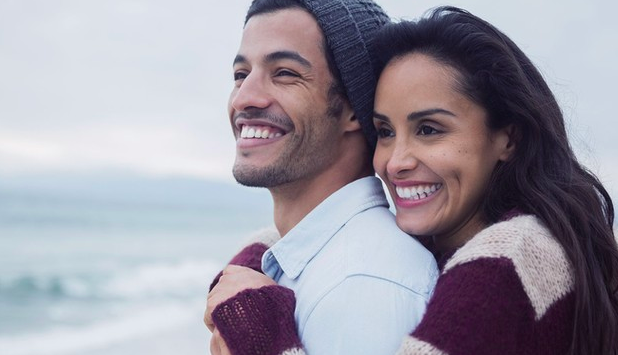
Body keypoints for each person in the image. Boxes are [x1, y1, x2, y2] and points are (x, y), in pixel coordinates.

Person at [205, 6, 618, 355]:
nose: (396, 161)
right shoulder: (445, 247)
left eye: (429, 130)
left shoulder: (500, 269)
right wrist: (258, 261)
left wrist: (259, 337)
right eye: (385, 131)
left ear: (506, 137)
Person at [205, 0, 439, 354]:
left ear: (353, 109)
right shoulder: (311, 264)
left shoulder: (363, 284)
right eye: (240, 75)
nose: (244, 98)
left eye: (284, 72)